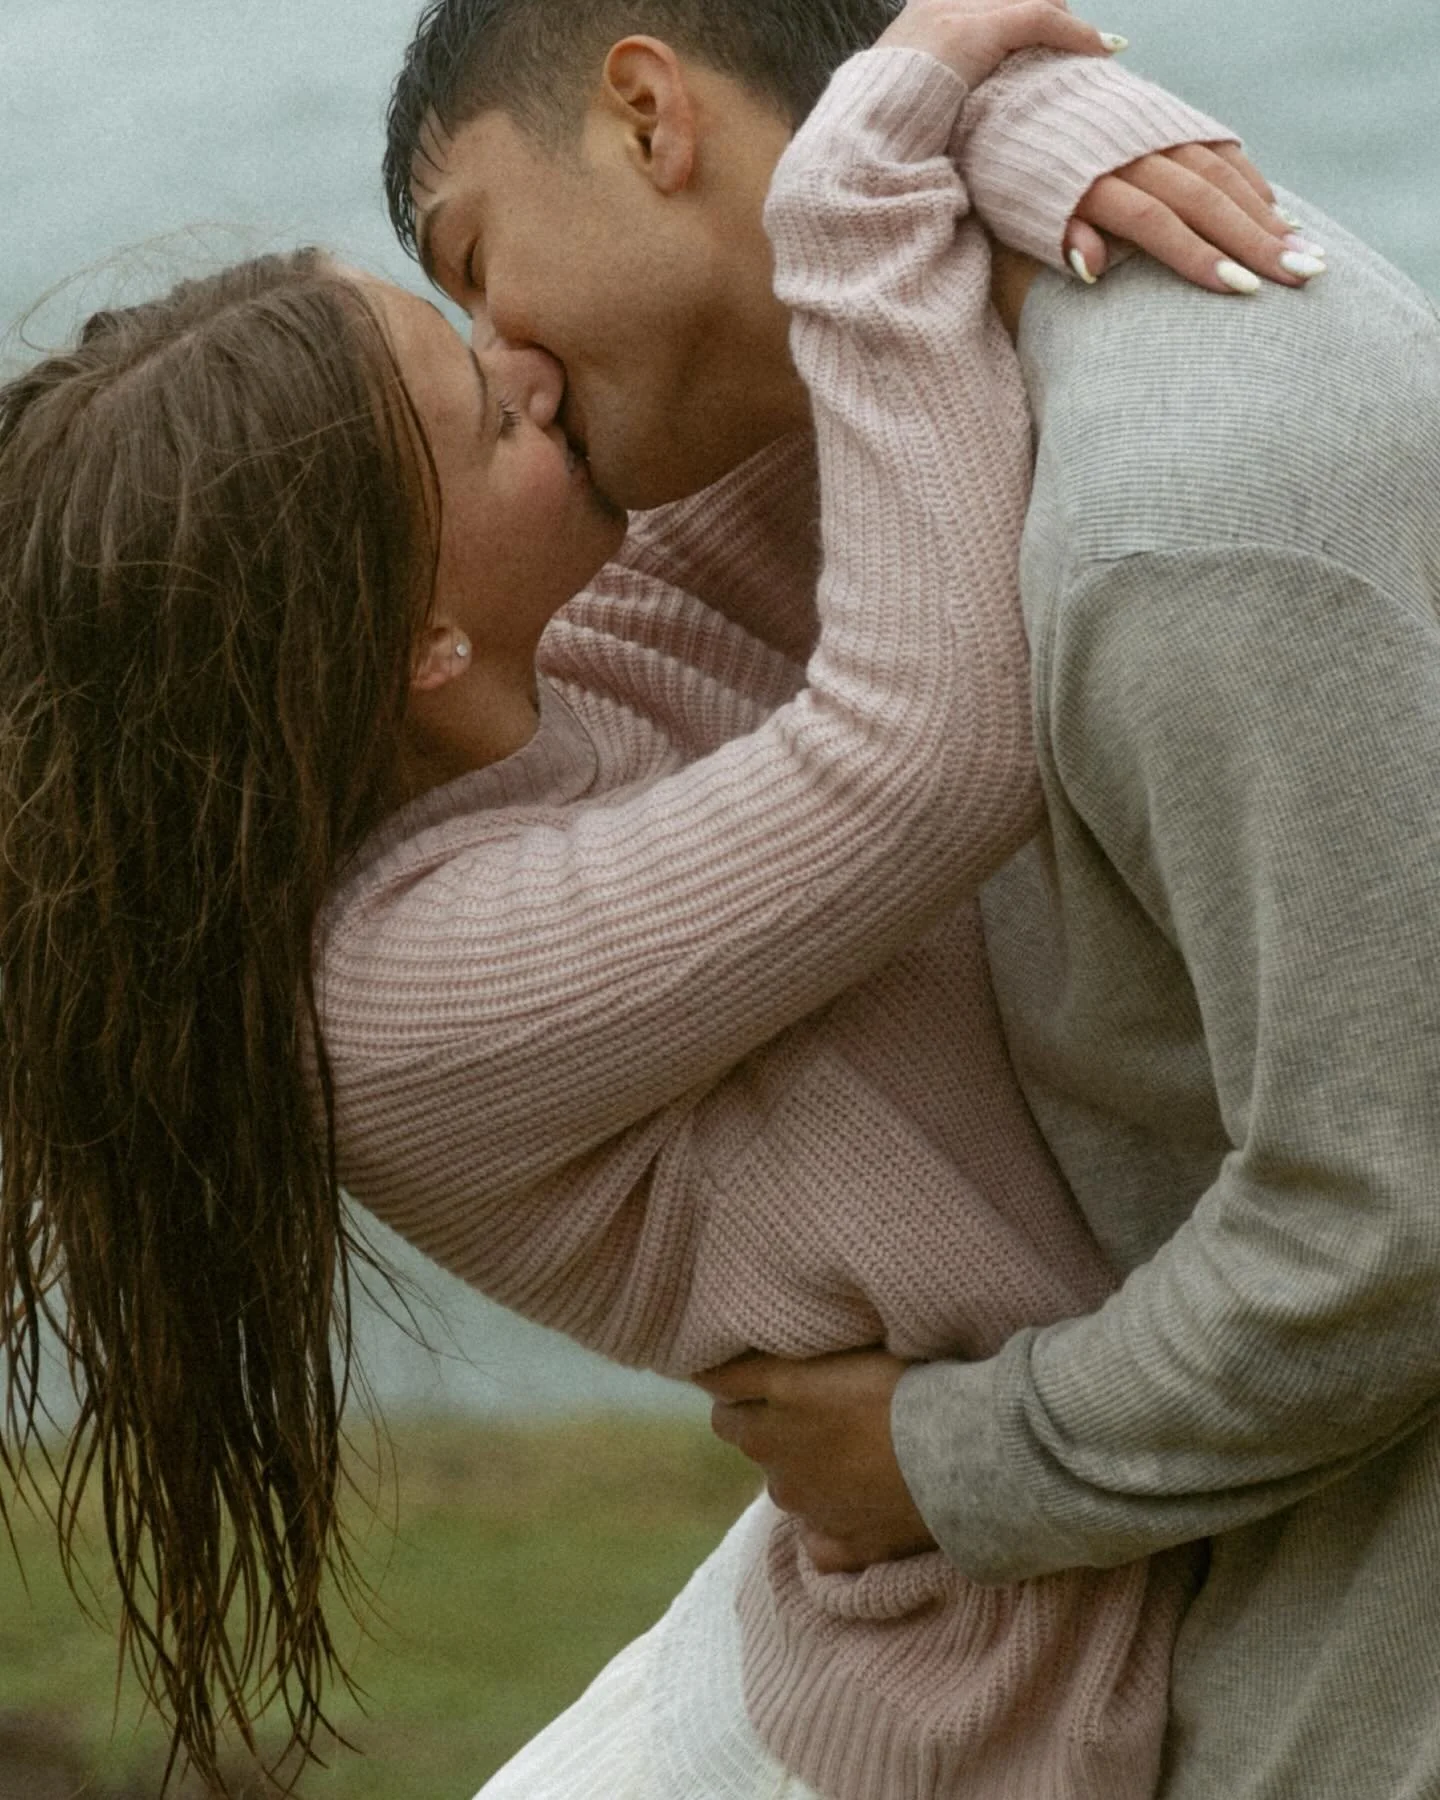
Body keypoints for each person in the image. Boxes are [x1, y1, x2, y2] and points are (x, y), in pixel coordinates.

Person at [0, 8, 1267, 1796]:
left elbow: (785, 337)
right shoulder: (397, 996)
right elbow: (921, 753)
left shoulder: (538, 666)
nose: (523, 361)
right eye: (471, 405)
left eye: (466, 313)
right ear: (419, 637)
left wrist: (1058, 132)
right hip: (964, 1715)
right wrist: (882, 134)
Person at [378, 0, 1440, 1797]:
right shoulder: (921, 409)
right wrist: (997, 122)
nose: (518, 364)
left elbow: (1389, 1219)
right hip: (1136, 1611)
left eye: (480, 266)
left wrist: (952, 1457)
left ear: (649, 116)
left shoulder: (1180, 526)